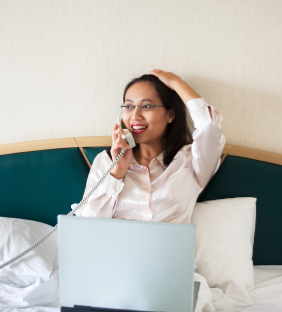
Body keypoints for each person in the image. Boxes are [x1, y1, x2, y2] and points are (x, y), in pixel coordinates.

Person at [74, 69, 225, 223]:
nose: (135, 116)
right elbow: (86, 225)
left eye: (146, 106)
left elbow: (209, 125)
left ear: (170, 115)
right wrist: (117, 173)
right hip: (117, 247)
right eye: (129, 106)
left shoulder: (190, 160)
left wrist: (177, 83)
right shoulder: (106, 161)